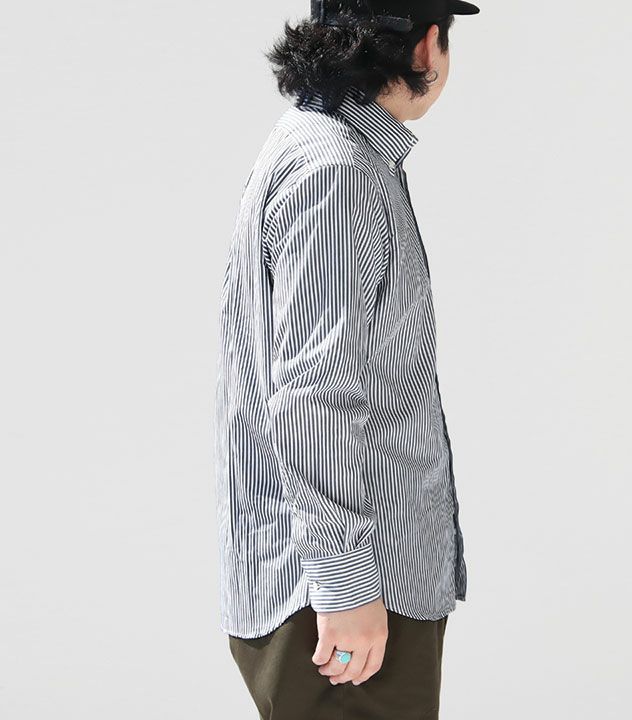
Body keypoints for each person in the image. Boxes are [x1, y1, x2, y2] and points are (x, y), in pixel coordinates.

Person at [214, 1, 478, 717]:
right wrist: (346, 583)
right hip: (348, 597)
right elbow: (313, 391)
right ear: (427, 47)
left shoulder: (317, 147)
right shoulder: (340, 171)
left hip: (337, 584)